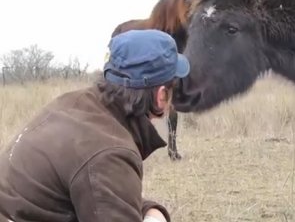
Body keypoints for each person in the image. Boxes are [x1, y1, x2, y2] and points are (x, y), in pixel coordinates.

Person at [0, 29, 190, 222]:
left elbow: (98, 190)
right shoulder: (109, 151)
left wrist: (150, 210)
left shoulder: (74, 104)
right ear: (161, 96)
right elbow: (101, 172)